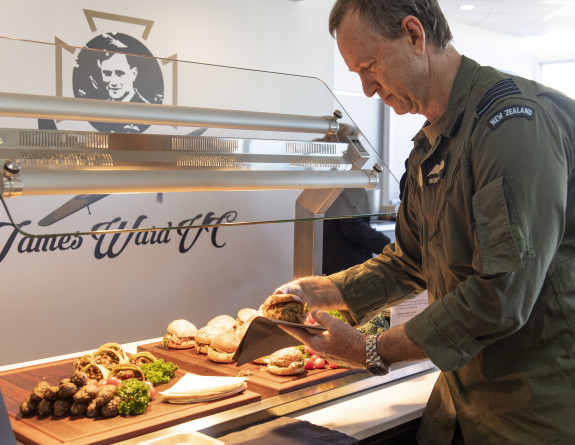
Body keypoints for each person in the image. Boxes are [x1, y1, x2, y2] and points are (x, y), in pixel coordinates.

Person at [273, 1, 575, 444]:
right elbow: (407, 261)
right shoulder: (431, 144)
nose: (368, 88)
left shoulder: (510, 123)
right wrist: (315, 290)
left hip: (537, 407)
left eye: (369, 65)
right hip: (462, 399)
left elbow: (501, 293)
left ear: (415, 35)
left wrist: (370, 349)